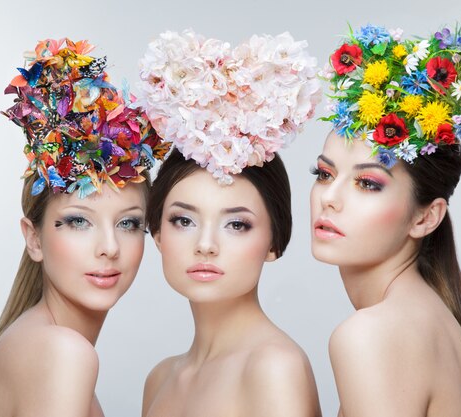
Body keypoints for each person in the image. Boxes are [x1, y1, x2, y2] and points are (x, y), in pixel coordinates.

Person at [0, 38, 168, 417]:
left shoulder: (30, 341)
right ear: (34, 238)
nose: (109, 247)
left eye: (128, 223)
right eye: (78, 221)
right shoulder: (62, 354)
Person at [311, 24, 461, 417]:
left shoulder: (372, 335)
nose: (329, 198)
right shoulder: (435, 321)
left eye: (367, 183)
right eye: (324, 174)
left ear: (426, 217)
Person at [136, 30, 322, 417]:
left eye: (236, 225)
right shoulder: (160, 379)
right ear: (156, 233)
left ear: (274, 242)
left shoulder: (274, 368)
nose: (206, 244)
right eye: (183, 220)